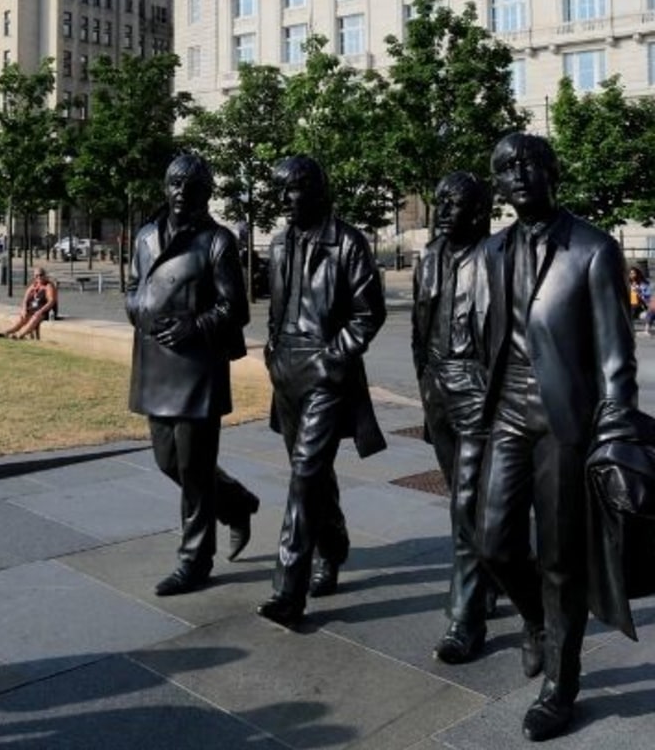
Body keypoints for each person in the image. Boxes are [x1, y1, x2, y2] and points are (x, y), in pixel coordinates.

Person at [474, 132, 638, 742]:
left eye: (527, 163)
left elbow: (618, 359)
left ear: (550, 172)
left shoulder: (593, 249)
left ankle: (560, 686)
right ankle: (538, 621)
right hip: (507, 412)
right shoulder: (492, 250)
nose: (517, 174)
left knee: (563, 559)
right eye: (504, 167)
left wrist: (615, 437)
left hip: (566, 417)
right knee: (492, 542)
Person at [258, 154, 386, 628]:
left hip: (326, 371)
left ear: (314, 188)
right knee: (310, 471)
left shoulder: (348, 243)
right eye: (280, 191)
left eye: (291, 190)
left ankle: (287, 591)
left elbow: (368, 313)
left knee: (304, 476)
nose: (284, 200)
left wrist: (332, 359)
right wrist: (272, 353)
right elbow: (276, 307)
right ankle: (333, 546)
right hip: (286, 370)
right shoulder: (280, 241)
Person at [126, 153, 260, 597]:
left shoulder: (217, 241)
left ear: (207, 192)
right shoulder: (146, 235)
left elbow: (235, 308)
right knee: (168, 461)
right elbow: (134, 285)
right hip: (154, 362)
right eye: (175, 183)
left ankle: (195, 559)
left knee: (195, 469)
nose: (181, 192)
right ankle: (237, 503)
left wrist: (194, 325)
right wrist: (136, 309)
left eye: (192, 185)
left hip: (197, 366)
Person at [412, 170, 499, 665]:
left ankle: (464, 618)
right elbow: (420, 331)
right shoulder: (428, 258)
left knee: (466, 502)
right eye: (439, 203)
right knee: (465, 499)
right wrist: (425, 382)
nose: (443, 212)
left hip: (480, 392)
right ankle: (491, 576)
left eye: (454, 205)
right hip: (439, 389)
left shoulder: (499, 259)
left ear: (480, 212)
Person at [0, 267, 57, 339]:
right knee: (22, 318)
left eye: (41, 275)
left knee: (35, 317)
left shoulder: (48, 286)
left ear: (45, 275)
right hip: (31, 309)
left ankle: (20, 335)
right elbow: (25, 299)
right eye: (36, 276)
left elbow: (51, 301)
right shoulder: (33, 285)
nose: (39, 277)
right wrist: (24, 309)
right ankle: (7, 332)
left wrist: (40, 311)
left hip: (43, 311)